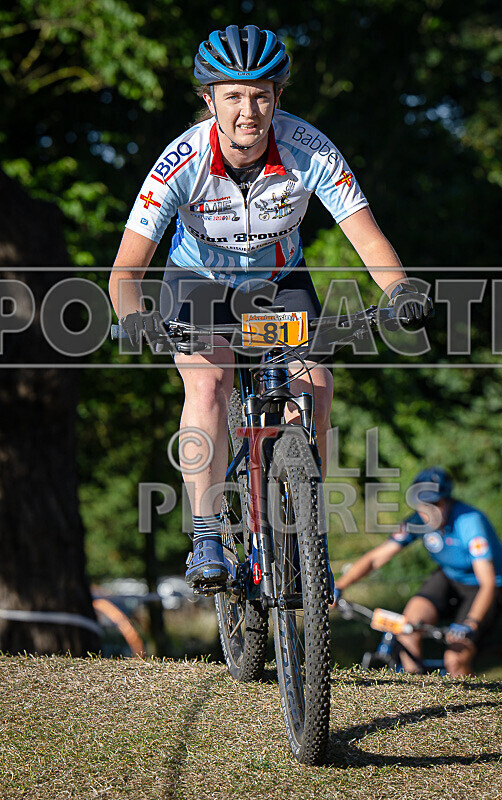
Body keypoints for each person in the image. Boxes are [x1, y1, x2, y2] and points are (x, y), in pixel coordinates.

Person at [108, 25, 432, 593]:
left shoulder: (311, 150)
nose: (247, 110)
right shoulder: (180, 161)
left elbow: (369, 240)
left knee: (317, 385)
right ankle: (208, 535)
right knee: (208, 383)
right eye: (232, 95)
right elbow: (125, 272)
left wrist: (400, 290)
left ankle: (308, 530)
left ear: (278, 98)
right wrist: (137, 319)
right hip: (198, 283)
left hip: (279, 283)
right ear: (209, 100)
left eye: (260, 95)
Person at [333, 467, 502, 676]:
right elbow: (377, 558)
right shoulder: (417, 522)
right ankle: (419, 689)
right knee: (406, 629)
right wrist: (340, 585)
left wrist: (470, 623)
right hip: (449, 575)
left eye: (435, 504)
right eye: (422, 504)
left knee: (455, 659)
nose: (428, 511)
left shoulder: (470, 522)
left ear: (447, 501)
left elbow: (487, 582)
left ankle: (471, 700)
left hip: (488, 586)